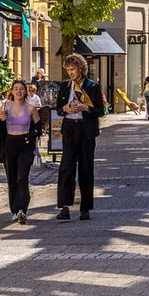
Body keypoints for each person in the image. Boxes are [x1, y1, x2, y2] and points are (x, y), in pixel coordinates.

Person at [54, 53, 104, 220]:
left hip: (86, 129)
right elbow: (58, 108)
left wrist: (85, 108)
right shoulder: (65, 86)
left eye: (73, 69)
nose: (70, 73)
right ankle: (65, 206)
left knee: (85, 168)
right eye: (68, 69)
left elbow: (100, 111)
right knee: (66, 167)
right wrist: (65, 109)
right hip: (69, 128)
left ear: (81, 69)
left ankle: (85, 207)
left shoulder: (92, 86)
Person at [0, 79, 43, 223]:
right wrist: (1, 119)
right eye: (16, 88)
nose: (19, 91)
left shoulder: (31, 108)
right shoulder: (5, 106)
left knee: (22, 177)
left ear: (25, 91)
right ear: (11, 91)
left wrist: (32, 134)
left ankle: (22, 209)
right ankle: (14, 210)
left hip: (25, 145)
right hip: (10, 144)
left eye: (21, 89)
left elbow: (38, 127)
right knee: (12, 178)